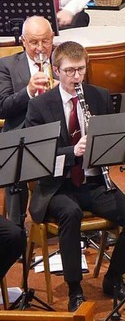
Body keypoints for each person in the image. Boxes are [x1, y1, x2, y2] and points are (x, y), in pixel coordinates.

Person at [25, 41, 125, 312]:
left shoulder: (99, 96)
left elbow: (113, 141)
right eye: (69, 71)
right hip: (57, 186)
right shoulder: (40, 106)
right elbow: (37, 156)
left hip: (94, 181)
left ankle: (113, 278)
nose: (76, 77)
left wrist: (109, 146)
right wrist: (72, 151)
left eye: (80, 70)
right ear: (56, 71)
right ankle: (75, 289)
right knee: (71, 213)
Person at [0, 16, 56, 225]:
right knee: (14, 155)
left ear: (52, 39)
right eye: (34, 42)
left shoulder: (62, 62)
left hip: (58, 131)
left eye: (45, 41)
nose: (40, 48)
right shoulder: (7, 66)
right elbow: (3, 106)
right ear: (23, 41)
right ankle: (16, 229)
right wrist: (28, 91)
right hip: (22, 132)